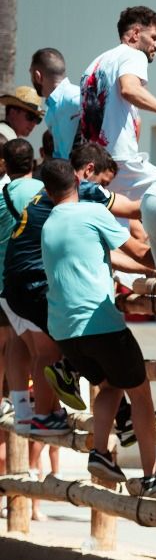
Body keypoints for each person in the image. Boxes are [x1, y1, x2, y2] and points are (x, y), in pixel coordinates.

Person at [35, 158, 156, 494]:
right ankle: (151, 473)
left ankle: (100, 452)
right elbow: (137, 250)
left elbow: (103, 255)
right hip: (101, 323)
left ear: (47, 191)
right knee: (142, 395)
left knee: (110, 387)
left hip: (65, 332)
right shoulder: (93, 212)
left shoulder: (48, 224)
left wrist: (153, 272)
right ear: (77, 178)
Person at [3, 144, 144, 436]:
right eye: (105, 181)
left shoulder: (52, 196)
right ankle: (52, 409)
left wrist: (147, 269)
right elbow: (135, 209)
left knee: (62, 343)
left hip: (15, 284)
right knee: (74, 341)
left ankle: (122, 413)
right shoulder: (85, 194)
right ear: (89, 171)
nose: (105, 189)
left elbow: (107, 254)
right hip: (32, 283)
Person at [79, 6, 156, 200]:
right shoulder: (133, 55)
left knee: (120, 225)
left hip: (92, 163)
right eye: (154, 37)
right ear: (135, 34)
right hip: (119, 162)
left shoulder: (97, 62)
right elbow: (130, 89)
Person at [0, 139, 42, 433]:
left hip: (3, 285)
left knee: (15, 342)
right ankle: (44, 408)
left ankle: (21, 406)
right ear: (33, 163)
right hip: (32, 282)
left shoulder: (1, 197)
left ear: (5, 165)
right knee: (40, 348)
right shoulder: (44, 193)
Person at [30, 48, 80, 159]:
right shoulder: (50, 111)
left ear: (38, 76)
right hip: (67, 173)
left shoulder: (76, 99)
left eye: (31, 75)